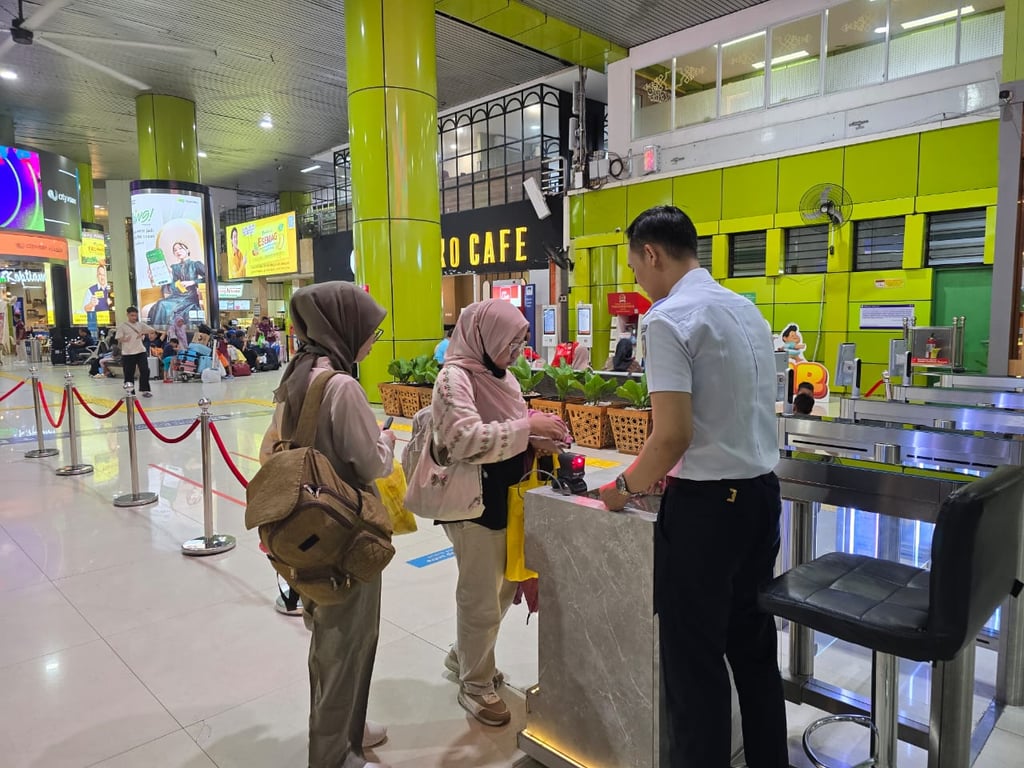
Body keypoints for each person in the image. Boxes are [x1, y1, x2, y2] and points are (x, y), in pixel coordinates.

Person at [599, 206, 787, 768]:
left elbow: (672, 435)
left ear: (651, 254)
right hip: (760, 498)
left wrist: (623, 487)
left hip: (708, 512)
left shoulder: (667, 318)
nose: (638, 281)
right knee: (753, 651)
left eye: (636, 269)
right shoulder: (745, 309)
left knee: (695, 666)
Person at [259, 282, 396, 768]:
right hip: (345, 532)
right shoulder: (341, 386)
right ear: (343, 326)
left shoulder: (297, 373)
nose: (373, 338)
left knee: (328, 635)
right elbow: (374, 464)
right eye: (369, 329)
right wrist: (387, 440)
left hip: (307, 530)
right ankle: (336, 754)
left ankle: (349, 727)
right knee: (347, 640)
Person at [433, 300, 570, 727]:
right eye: (510, 339)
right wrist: (528, 429)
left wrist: (536, 436)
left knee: (503, 590)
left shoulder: (502, 377)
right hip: (473, 505)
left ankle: (464, 655)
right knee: (480, 599)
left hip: (508, 500)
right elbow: (462, 440)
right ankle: (475, 684)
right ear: (484, 336)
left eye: (520, 339)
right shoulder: (453, 379)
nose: (517, 348)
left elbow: (509, 427)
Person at [147, 242, 207, 326]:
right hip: (176, 297)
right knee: (160, 304)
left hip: (189, 298)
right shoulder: (173, 268)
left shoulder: (195, 264)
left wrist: (192, 282)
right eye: (175, 250)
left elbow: (208, 278)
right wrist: (154, 280)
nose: (178, 251)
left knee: (163, 305)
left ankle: (161, 332)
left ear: (187, 250)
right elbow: (168, 287)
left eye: (180, 248)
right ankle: (157, 332)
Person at [115, 306, 156, 398]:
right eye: (132, 315)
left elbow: (152, 330)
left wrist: (143, 332)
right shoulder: (122, 326)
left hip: (140, 351)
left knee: (145, 370)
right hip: (128, 353)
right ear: (128, 315)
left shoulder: (140, 325)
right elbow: (118, 338)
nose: (134, 317)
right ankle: (130, 391)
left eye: (135, 315)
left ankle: (145, 389)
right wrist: (125, 339)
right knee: (129, 373)